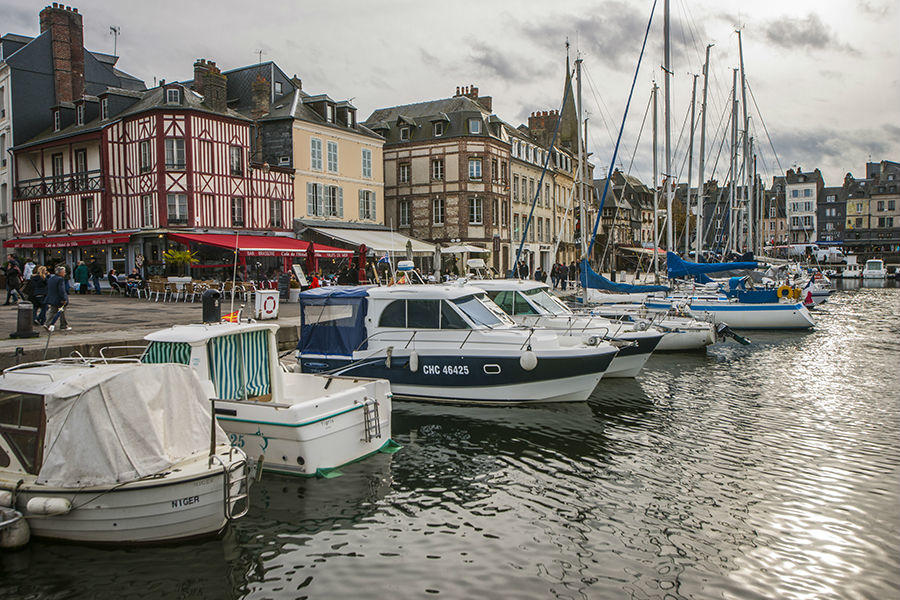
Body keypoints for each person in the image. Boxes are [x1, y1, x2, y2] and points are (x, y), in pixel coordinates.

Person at [45, 265, 71, 331]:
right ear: (60, 273)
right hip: (59, 299)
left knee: (52, 311)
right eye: (64, 272)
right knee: (62, 312)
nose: (65, 273)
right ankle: (63, 325)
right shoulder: (60, 279)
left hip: (52, 298)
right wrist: (64, 299)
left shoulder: (51, 278)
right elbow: (61, 290)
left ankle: (47, 324)